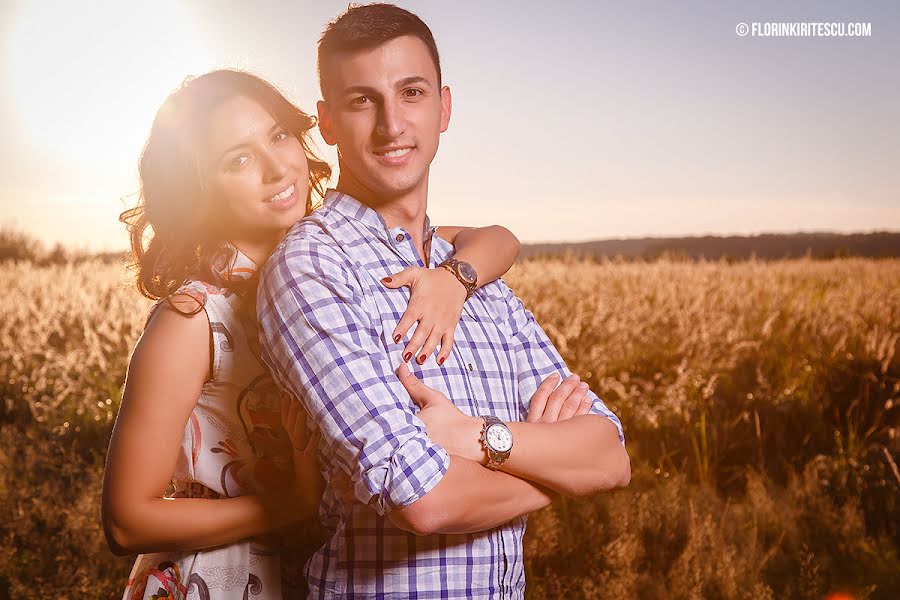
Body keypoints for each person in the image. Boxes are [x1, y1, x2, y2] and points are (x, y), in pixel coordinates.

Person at [101, 68, 527, 599]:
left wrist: (453, 279)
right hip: (220, 580)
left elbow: (498, 239)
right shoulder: (192, 319)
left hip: (329, 571)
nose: (277, 168)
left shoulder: (346, 258)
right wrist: (292, 505)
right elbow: (126, 520)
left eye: (278, 135)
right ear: (198, 189)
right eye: (239, 159)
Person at [256, 4, 631, 599]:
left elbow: (609, 451)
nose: (391, 125)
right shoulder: (314, 267)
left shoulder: (469, 275)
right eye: (362, 101)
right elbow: (424, 500)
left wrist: (479, 437)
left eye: (411, 93)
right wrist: (556, 475)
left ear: (444, 107)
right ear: (326, 123)